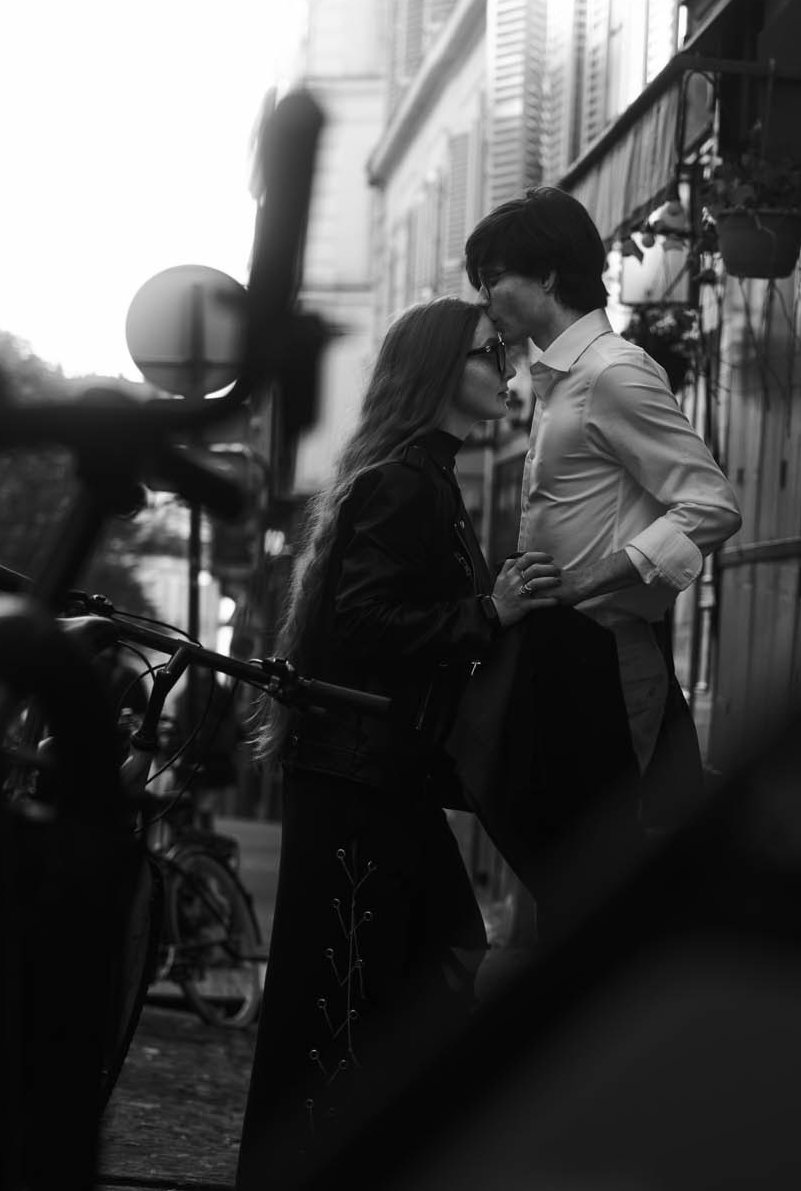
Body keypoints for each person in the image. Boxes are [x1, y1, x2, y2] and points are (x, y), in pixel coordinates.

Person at [235, 296, 561, 1188]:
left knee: (415, 966)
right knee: (346, 989)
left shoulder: (424, 474)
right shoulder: (406, 480)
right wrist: (487, 611)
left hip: (384, 775)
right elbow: (366, 617)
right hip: (360, 776)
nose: (508, 369)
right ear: (440, 371)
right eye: (490, 354)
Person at [465, 187, 742, 832]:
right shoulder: (562, 379)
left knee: (598, 854)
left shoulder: (613, 373)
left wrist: (592, 579)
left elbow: (711, 505)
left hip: (606, 652)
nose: (485, 298)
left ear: (548, 276)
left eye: (492, 278)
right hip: (565, 652)